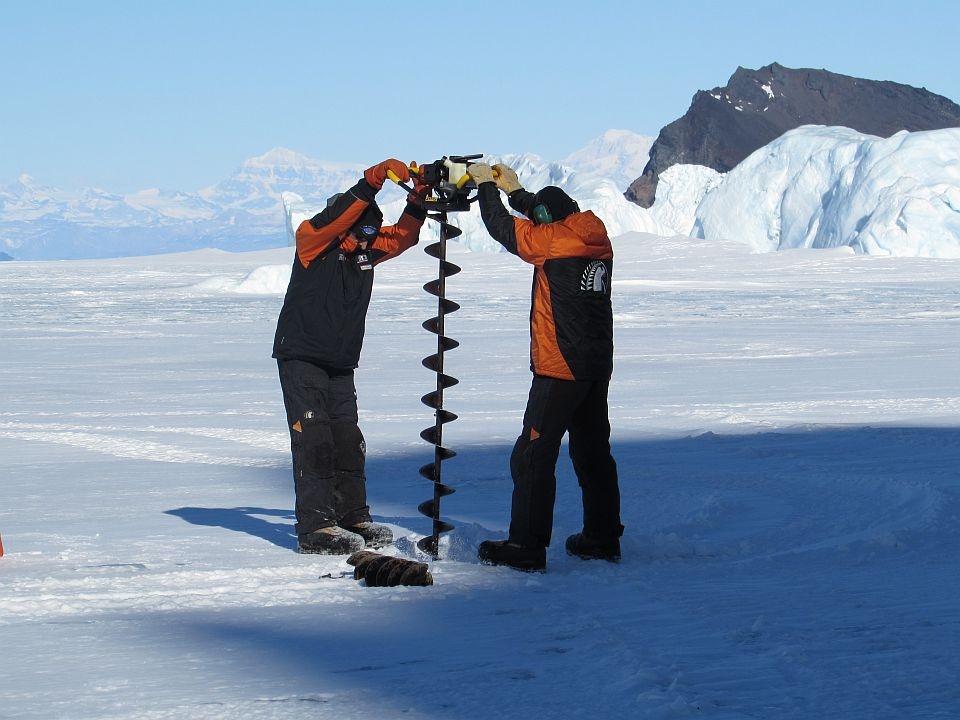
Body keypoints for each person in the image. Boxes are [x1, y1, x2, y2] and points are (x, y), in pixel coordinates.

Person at [467, 161, 623, 572]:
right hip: (594, 366)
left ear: (548, 221)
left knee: (534, 455)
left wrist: (486, 188)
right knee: (593, 453)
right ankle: (602, 538)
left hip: (559, 366)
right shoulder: (595, 235)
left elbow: (504, 229)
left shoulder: (553, 243)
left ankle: (526, 545)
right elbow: (544, 214)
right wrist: (517, 191)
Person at [273, 158, 429, 554]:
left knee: (348, 440)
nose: (367, 241)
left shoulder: (366, 249)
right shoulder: (313, 243)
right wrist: (371, 182)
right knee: (315, 441)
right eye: (360, 232)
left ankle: (352, 517)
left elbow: (404, 237)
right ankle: (316, 528)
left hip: (341, 361)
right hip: (303, 356)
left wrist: (418, 198)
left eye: (371, 233)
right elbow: (331, 222)